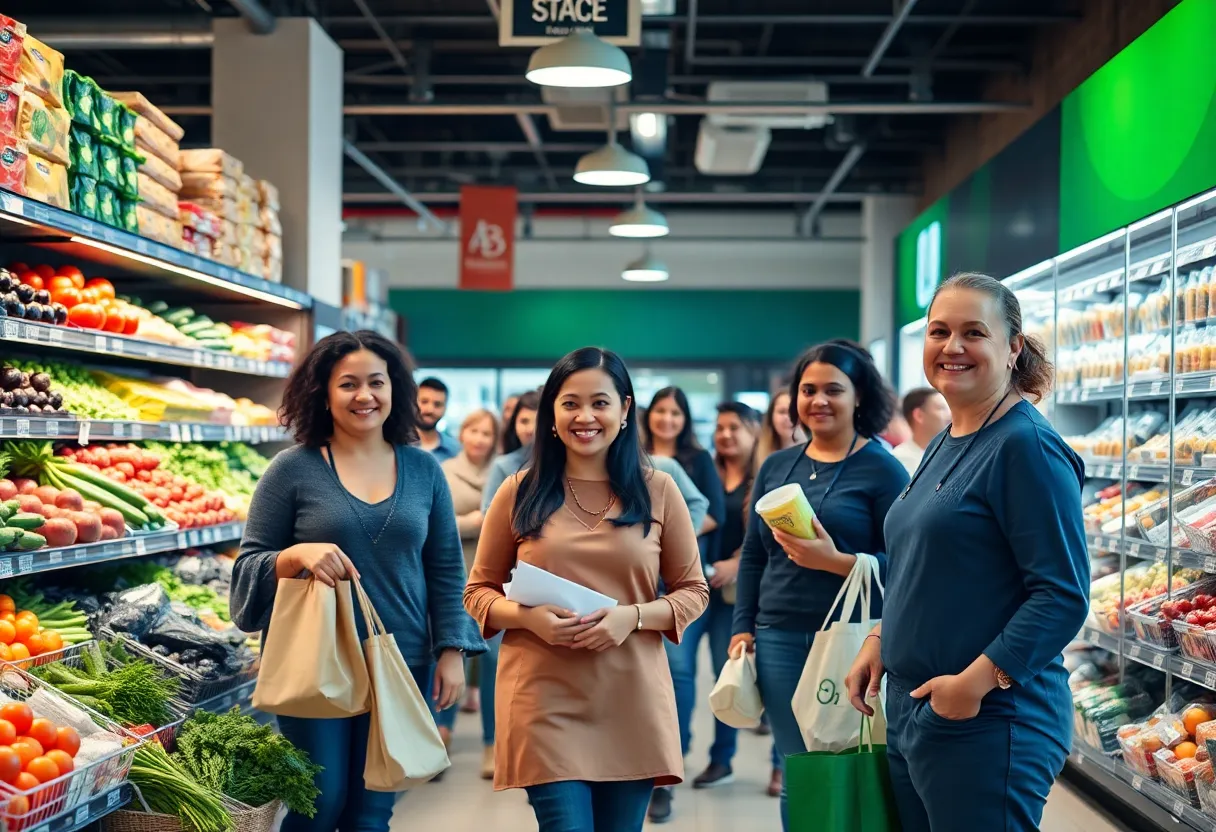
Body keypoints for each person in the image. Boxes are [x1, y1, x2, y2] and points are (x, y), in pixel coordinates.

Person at [845, 273, 1089, 832]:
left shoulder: (1026, 447)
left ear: (1012, 348)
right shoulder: (946, 439)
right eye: (939, 331)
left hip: (989, 719)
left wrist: (975, 683)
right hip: (916, 708)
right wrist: (884, 638)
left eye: (973, 332)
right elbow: (924, 567)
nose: (952, 347)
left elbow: (1061, 596)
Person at [230, 331, 485, 832]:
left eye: (376, 382)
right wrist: (295, 556)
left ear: (396, 390)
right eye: (348, 384)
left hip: (402, 656)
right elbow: (247, 567)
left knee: (372, 811)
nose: (364, 395)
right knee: (320, 803)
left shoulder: (423, 469)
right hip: (316, 655)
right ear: (323, 393)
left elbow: (446, 567)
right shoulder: (292, 469)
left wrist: (452, 649)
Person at [464, 347, 709, 832]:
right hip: (543, 696)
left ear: (624, 410)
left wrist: (632, 617)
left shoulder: (659, 489)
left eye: (600, 402)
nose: (585, 416)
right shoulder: (518, 490)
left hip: (630, 695)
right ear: (551, 414)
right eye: (570, 403)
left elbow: (693, 591)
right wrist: (528, 617)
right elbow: (478, 591)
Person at [729, 339, 909, 832]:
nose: (819, 401)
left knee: (853, 764)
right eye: (808, 390)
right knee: (798, 768)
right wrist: (743, 625)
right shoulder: (776, 466)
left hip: (856, 640)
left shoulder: (883, 468)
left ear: (860, 397)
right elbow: (753, 556)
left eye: (834, 389)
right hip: (779, 637)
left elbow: (910, 565)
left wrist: (839, 563)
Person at [644, 387, 726, 823]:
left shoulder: (678, 465)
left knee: (677, 671)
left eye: (676, 412)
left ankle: (668, 764)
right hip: (620, 595)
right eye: (660, 410)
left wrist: (667, 541)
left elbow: (709, 510)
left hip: (676, 585)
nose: (667, 419)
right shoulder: (629, 458)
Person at [433, 409, 501, 758]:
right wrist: (476, 522)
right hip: (454, 574)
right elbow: (434, 524)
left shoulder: (504, 472)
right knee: (450, 651)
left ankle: (492, 742)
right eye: (473, 430)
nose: (478, 439)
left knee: (491, 663)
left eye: (486, 433)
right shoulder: (443, 471)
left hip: (494, 580)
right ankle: (442, 733)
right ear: (462, 434)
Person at [889, 387, 951, 475]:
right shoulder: (899, 461)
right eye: (941, 408)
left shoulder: (951, 456)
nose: (950, 415)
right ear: (919, 415)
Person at [755, 389, 801, 472]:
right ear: (771, 417)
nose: (789, 417)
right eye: (782, 412)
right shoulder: (755, 454)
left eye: (794, 411)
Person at [417, 377, 461, 462]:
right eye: (424, 402)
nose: (430, 410)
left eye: (437, 404)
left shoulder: (455, 450)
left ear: (445, 408)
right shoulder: (397, 445)